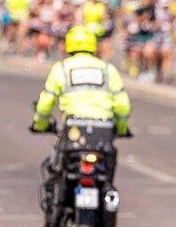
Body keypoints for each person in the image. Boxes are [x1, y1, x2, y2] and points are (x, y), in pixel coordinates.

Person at [32, 26, 131, 185]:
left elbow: (46, 103)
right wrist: (121, 128)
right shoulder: (107, 69)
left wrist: (40, 124)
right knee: (108, 163)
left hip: (73, 128)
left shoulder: (62, 68)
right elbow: (122, 105)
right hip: (103, 129)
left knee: (57, 168)